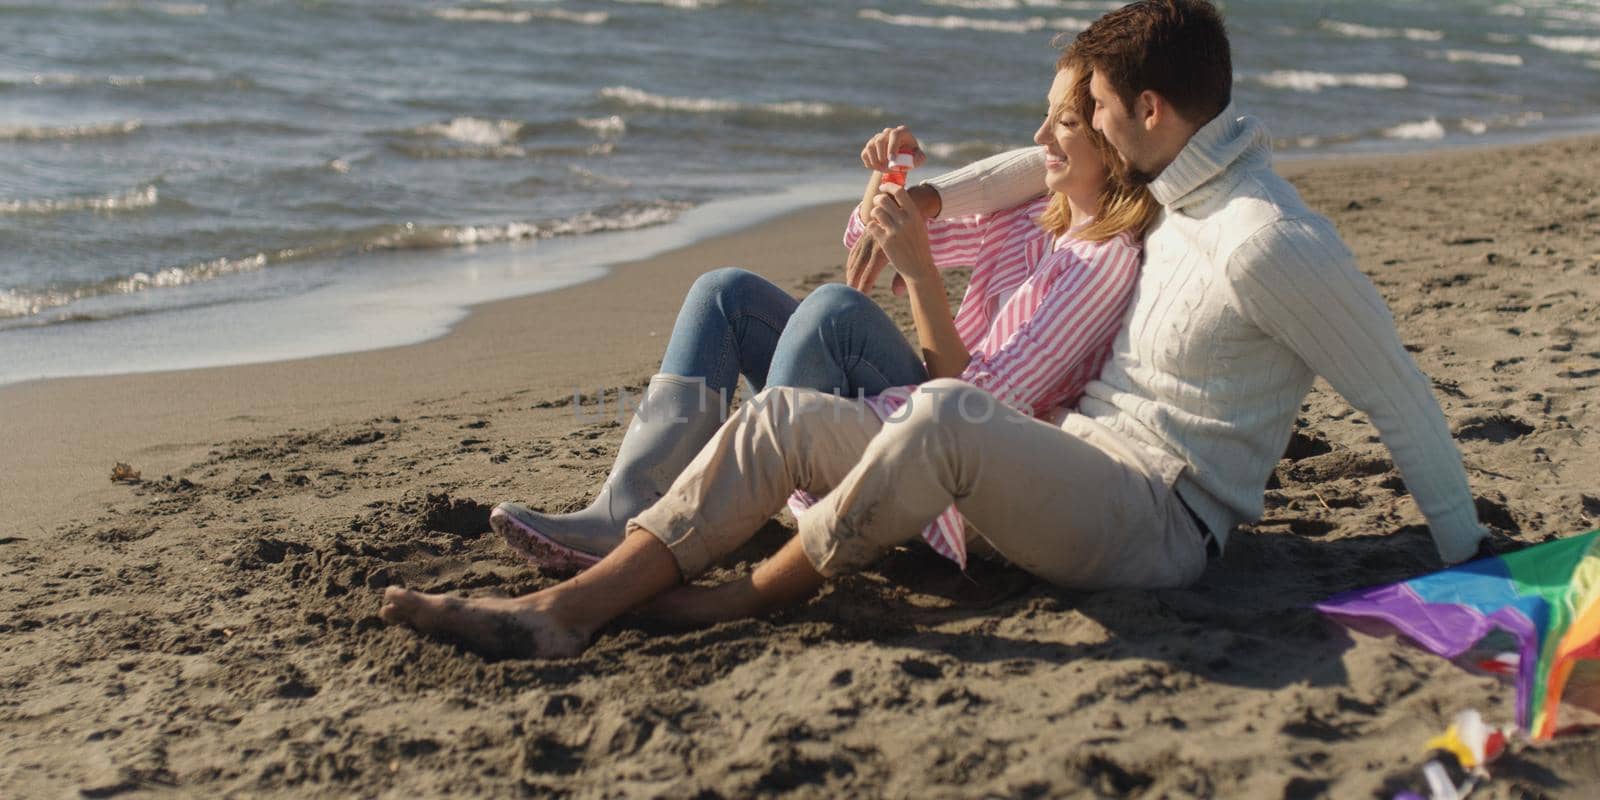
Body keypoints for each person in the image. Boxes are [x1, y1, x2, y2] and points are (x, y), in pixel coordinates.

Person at [381, 0, 1490, 660]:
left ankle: (725, 599)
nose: (1074, 128)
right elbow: (1034, 172)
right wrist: (921, 197)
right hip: (1062, 476)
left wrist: (1478, 572)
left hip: (1161, 522)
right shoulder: (1174, 192)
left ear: (1147, 115)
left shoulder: (1261, 237)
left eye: (1092, 107)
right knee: (779, 416)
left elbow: (1396, 394)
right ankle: (562, 609)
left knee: (945, 406)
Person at [491, 51, 1156, 573]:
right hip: (921, 407)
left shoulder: (1101, 263)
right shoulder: (1028, 212)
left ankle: (732, 498)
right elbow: (864, 244)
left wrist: (922, 275)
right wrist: (890, 178)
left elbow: (975, 408)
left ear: (1110, 137)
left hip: (948, 463)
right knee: (726, 294)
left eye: (1064, 121)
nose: (1040, 135)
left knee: (835, 313)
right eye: (1045, 115)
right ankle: (625, 509)